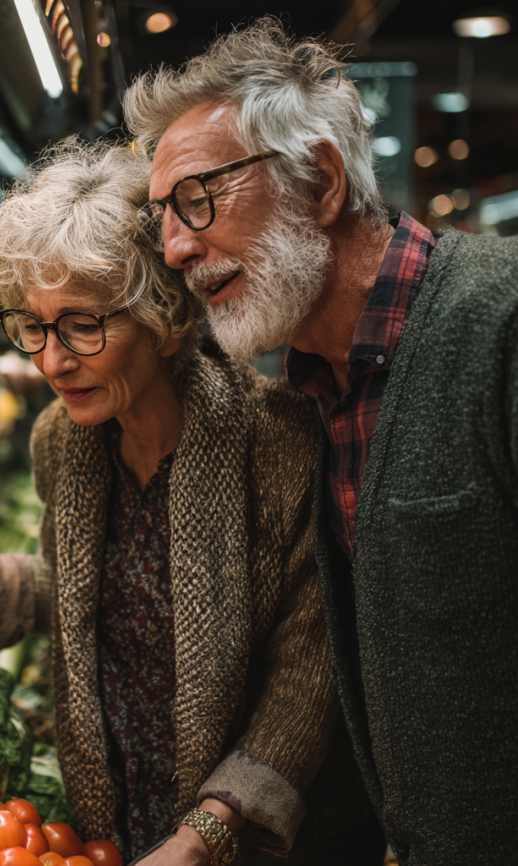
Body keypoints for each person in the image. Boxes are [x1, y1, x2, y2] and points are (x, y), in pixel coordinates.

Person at [0, 142, 381, 865]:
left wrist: (207, 837)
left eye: (82, 324)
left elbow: (308, 676)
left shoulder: (279, 440)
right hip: (115, 821)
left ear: (162, 316)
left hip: (262, 840)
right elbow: (84, 597)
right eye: (32, 326)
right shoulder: (61, 442)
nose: (51, 360)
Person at [124, 17, 518, 866]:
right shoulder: (312, 392)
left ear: (324, 183)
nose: (175, 247)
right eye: (162, 215)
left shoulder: (501, 324)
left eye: (198, 197)